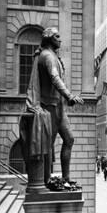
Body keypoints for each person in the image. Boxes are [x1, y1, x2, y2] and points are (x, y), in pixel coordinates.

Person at [25, 27, 83, 185]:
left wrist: (65, 99)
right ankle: (46, 180)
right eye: (57, 36)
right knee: (47, 145)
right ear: (50, 38)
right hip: (49, 107)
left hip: (58, 106)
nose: (60, 39)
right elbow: (55, 78)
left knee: (69, 139)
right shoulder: (47, 56)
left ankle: (66, 178)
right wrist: (69, 95)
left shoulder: (53, 56)